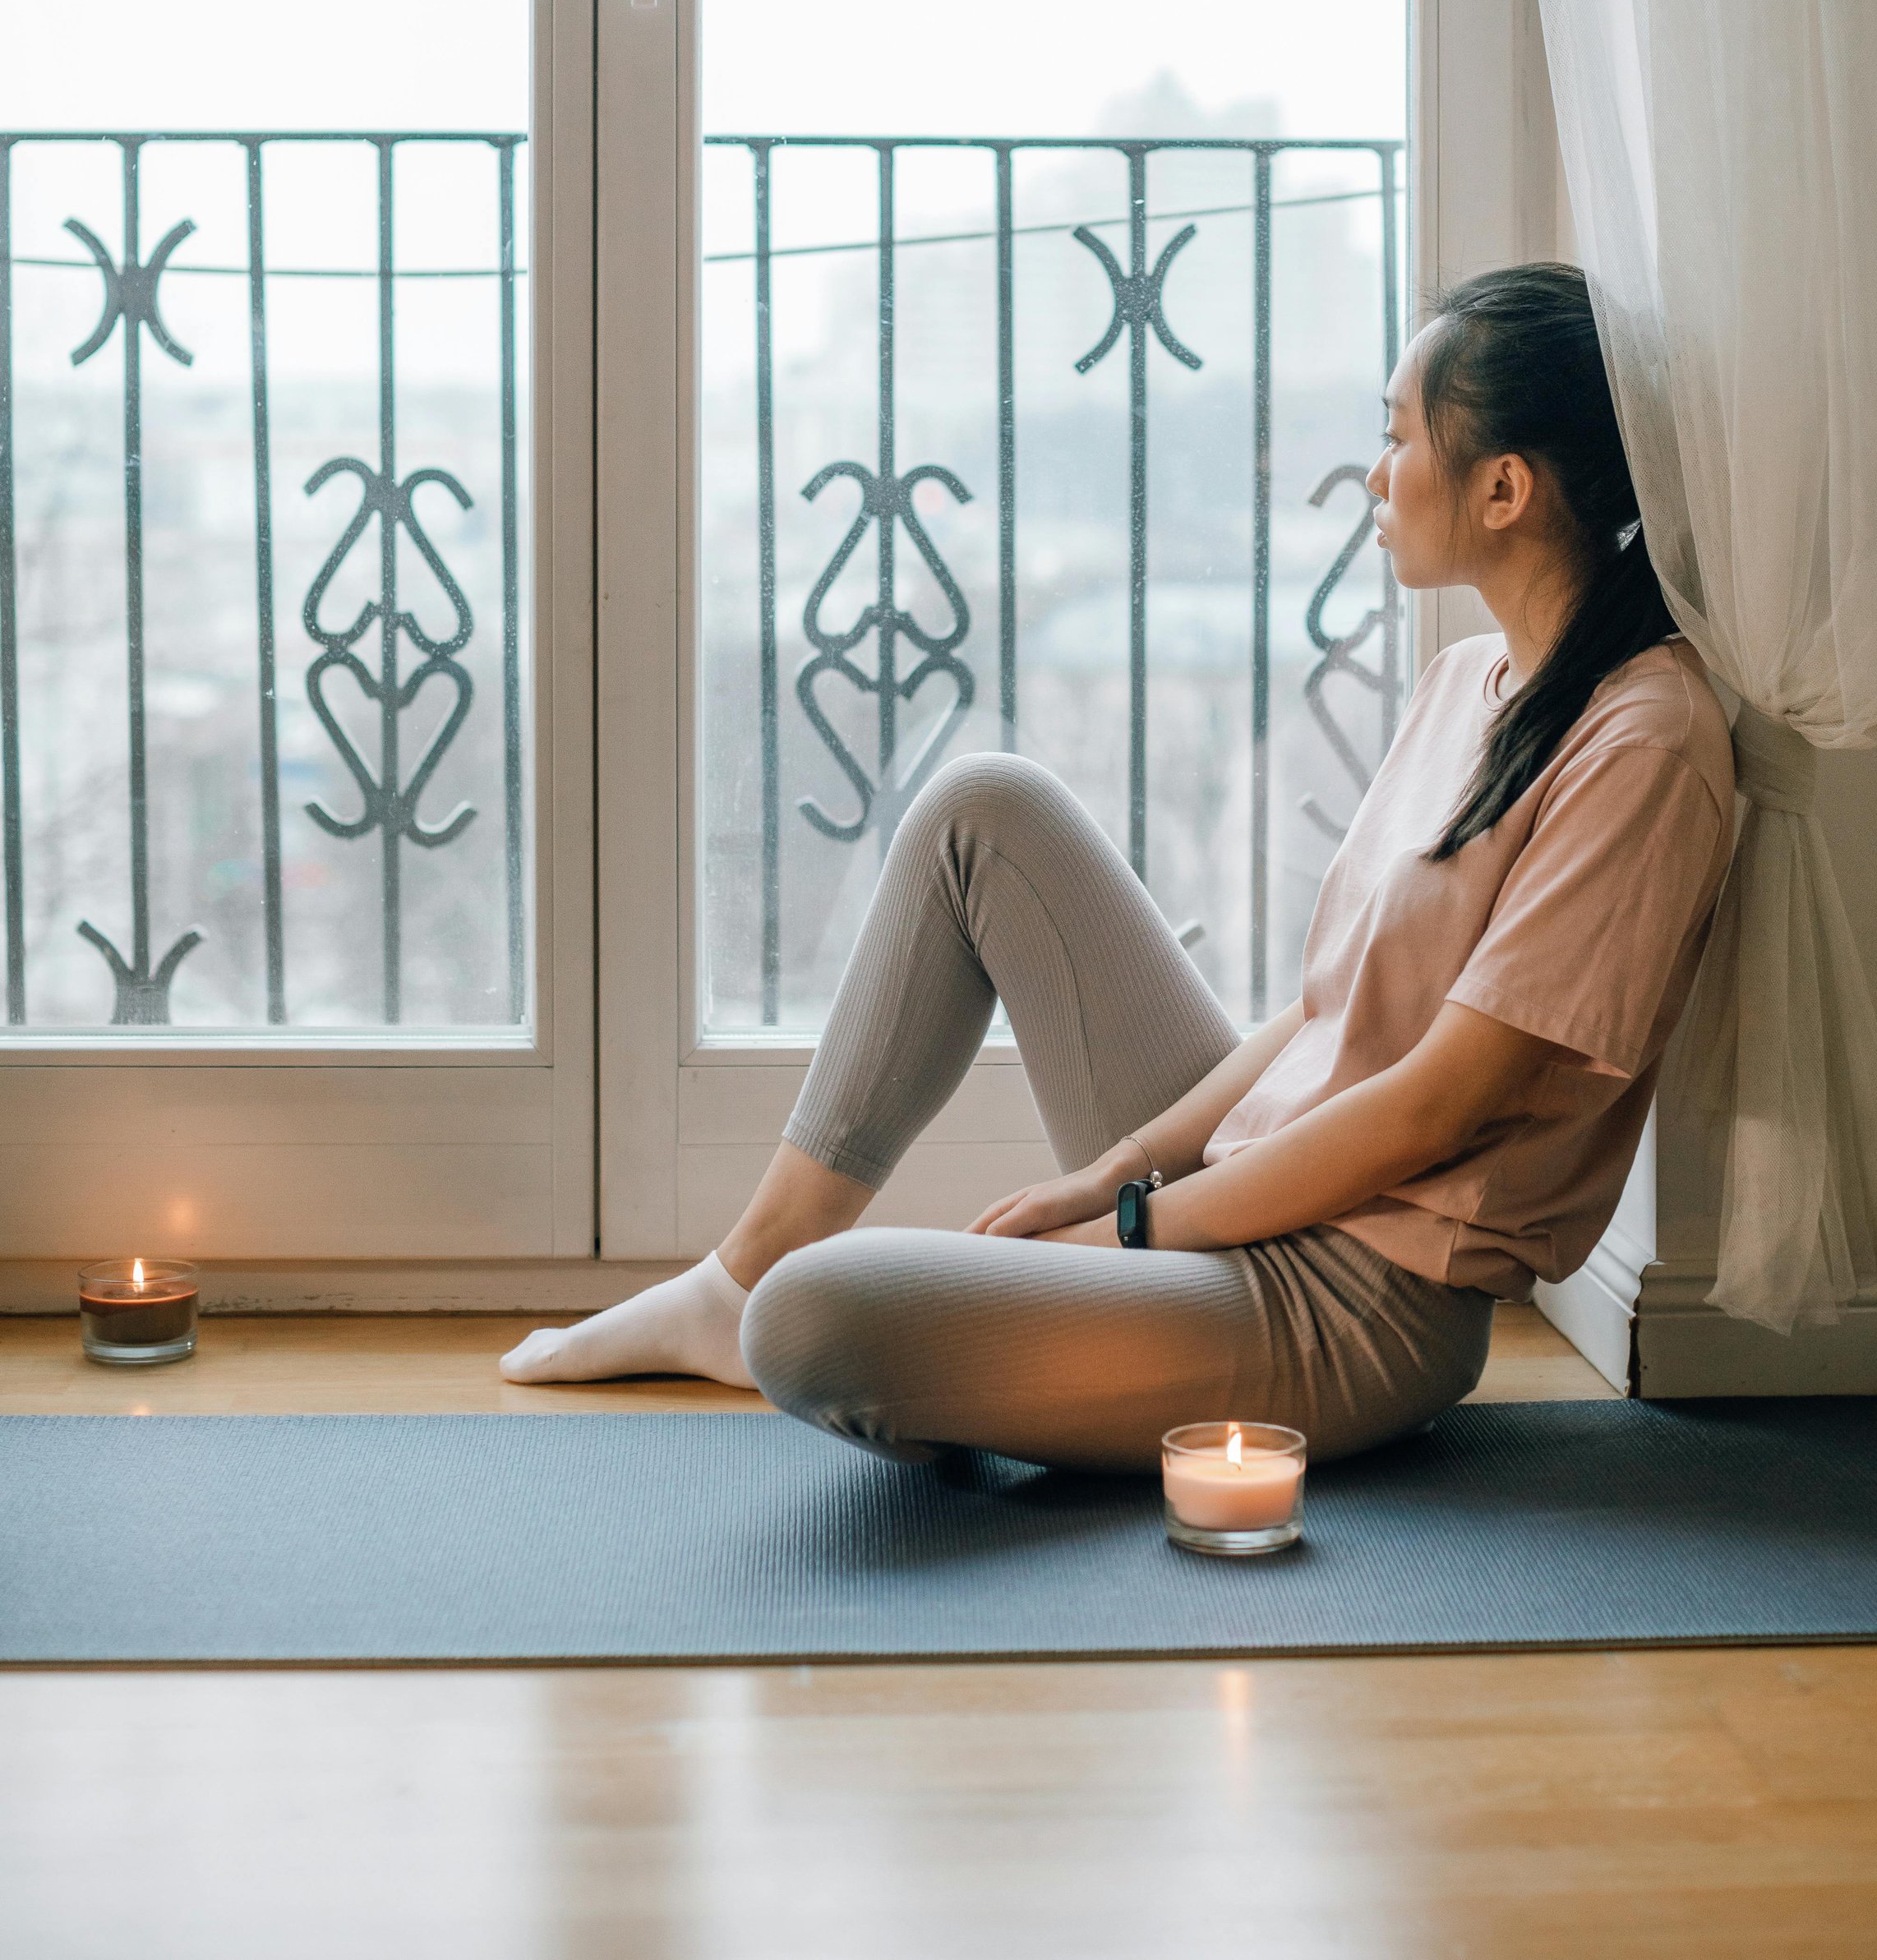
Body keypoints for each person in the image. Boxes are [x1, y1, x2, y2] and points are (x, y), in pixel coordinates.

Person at [502, 264, 1735, 1469]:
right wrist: (1114, 1176)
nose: (1375, 473)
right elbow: (1323, 1015)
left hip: (1355, 1300)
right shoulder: (1468, 679)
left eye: (1399, 437)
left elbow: (1436, 1107)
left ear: (1505, 487)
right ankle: (739, 1276)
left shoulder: (1644, 744)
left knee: (812, 1323)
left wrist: (1130, 1229)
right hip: (1263, 1176)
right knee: (984, 810)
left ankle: (867, 1331)